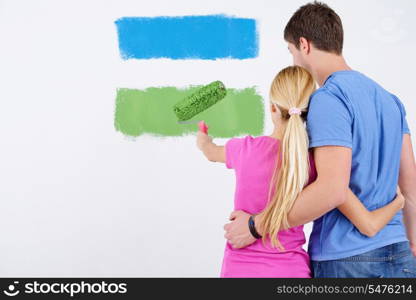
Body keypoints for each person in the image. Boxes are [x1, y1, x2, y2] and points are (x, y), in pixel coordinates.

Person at [222, 1, 416, 278]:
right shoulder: (390, 100)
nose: (293, 61)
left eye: (291, 51)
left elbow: (331, 189)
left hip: (347, 259)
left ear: (304, 44)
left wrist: (255, 227)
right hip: (399, 254)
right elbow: (410, 188)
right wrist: (411, 244)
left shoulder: (328, 98)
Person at [197, 65, 404, 277]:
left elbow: (211, 152)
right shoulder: (317, 166)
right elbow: (367, 224)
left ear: (273, 108)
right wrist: (398, 202)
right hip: (291, 271)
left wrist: (204, 139)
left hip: (239, 269)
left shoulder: (245, 149)